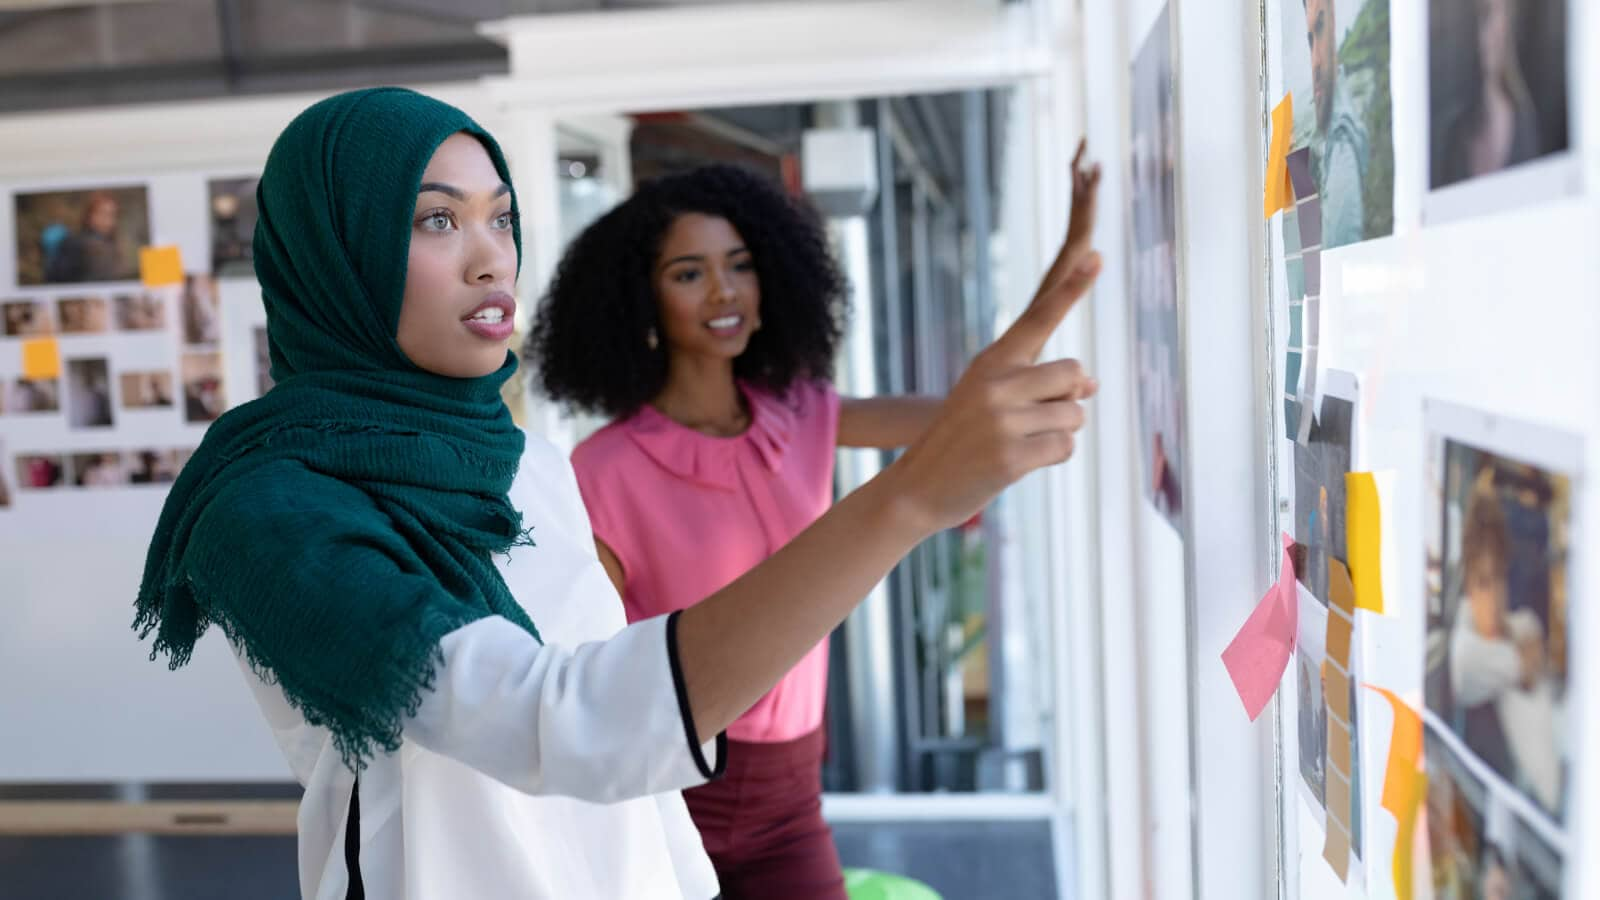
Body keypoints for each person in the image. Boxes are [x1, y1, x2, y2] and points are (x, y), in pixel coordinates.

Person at [132, 87, 1101, 899]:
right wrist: (909, 502)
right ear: (332, 250)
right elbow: (560, 720)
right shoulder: (263, 508)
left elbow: (630, 788)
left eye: (499, 217)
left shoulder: (524, 459)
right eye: (435, 220)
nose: (490, 256)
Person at [528, 150, 1100, 898]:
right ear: (643, 302)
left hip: (790, 796)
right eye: (688, 272)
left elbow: (969, 417)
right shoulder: (602, 472)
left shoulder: (804, 415)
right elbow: (589, 668)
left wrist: (1075, 240)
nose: (723, 289)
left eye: (739, 264)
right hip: (663, 787)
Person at [1434, 0, 1543, 187]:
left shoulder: (1527, 127)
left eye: (1488, 15)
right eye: (1476, 18)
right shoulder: (1450, 137)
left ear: (1507, 24)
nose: (1483, 33)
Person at [1302, 0, 1368, 247]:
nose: (1315, 62)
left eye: (1321, 30)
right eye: (1310, 41)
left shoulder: (1341, 147)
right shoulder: (1326, 136)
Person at [44, 191, 125, 283]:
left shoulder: (111, 244)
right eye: (103, 213)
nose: (108, 220)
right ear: (89, 215)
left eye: (113, 215)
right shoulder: (75, 243)